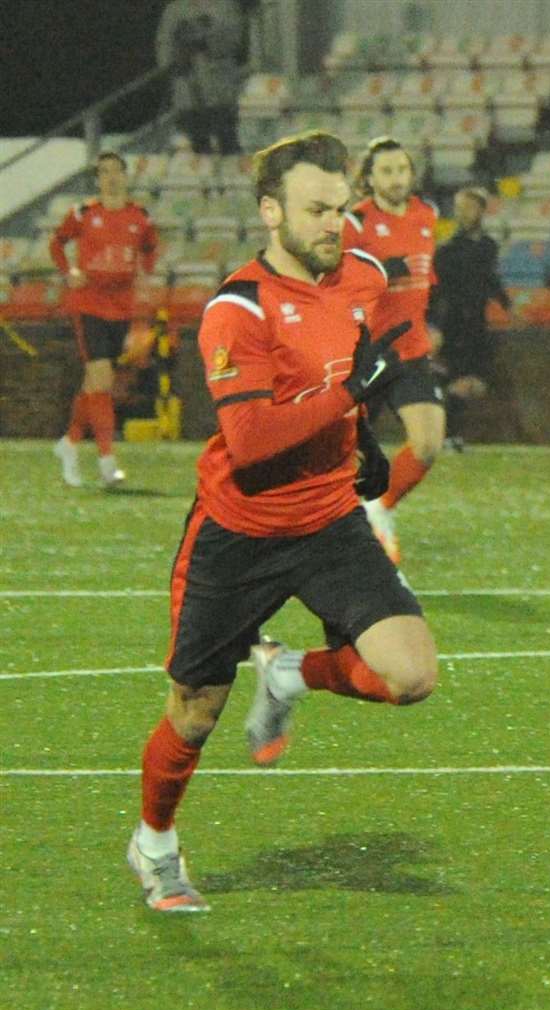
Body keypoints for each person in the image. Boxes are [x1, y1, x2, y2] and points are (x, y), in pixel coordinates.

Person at [125, 130, 438, 913]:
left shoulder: (361, 276)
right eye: (316, 210)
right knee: (195, 710)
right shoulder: (238, 309)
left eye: (341, 208)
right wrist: (349, 401)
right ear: (271, 213)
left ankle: (291, 671)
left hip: (329, 519)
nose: (335, 224)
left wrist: (360, 439)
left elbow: (347, 367)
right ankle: (155, 843)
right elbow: (252, 440)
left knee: (411, 676)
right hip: (239, 531)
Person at [343, 137, 442, 563]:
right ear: (369, 177)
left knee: (427, 444)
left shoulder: (427, 215)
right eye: (386, 171)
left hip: (412, 351)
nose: (396, 178)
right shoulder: (357, 222)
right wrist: (383, 271)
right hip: (368, 352)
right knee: (344, 455)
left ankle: (379, 509)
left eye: (401, 169)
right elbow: (338, 279)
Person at [49, 151, 159, 488]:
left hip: (122, 308)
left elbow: (150, 249)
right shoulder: (83, 213)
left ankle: (69, 443)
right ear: (97, 178)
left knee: (95, 385)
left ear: (125, 176)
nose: (110, 177)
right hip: (90, 306)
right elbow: (57, 243)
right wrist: (69, 273)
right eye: (104, 172)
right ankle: (107, 461)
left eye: (116, 171)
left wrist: (146, 276)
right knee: (101, 378)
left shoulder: (140, 216)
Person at [427, 186, 512, 450]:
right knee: (459, 381)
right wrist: (430, 324)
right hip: (453, 324)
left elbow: (490, 280)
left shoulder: (487, 247)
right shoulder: (447, 250)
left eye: (468, 207)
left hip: (476, 324)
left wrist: (507, 305)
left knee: (471, 383)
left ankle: (450, 434)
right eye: (459, 208)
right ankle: (447, 435)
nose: (462, 213)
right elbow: (434, 291)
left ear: (481, 210)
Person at [156, 0, 247, 154]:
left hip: (220, 89)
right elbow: (163, 42)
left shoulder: (226, 6)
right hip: (187, 90)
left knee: (227, 138)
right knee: (197, 141)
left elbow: (234, 39)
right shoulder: (175, 9)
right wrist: (172, 63)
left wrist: (205, 40)